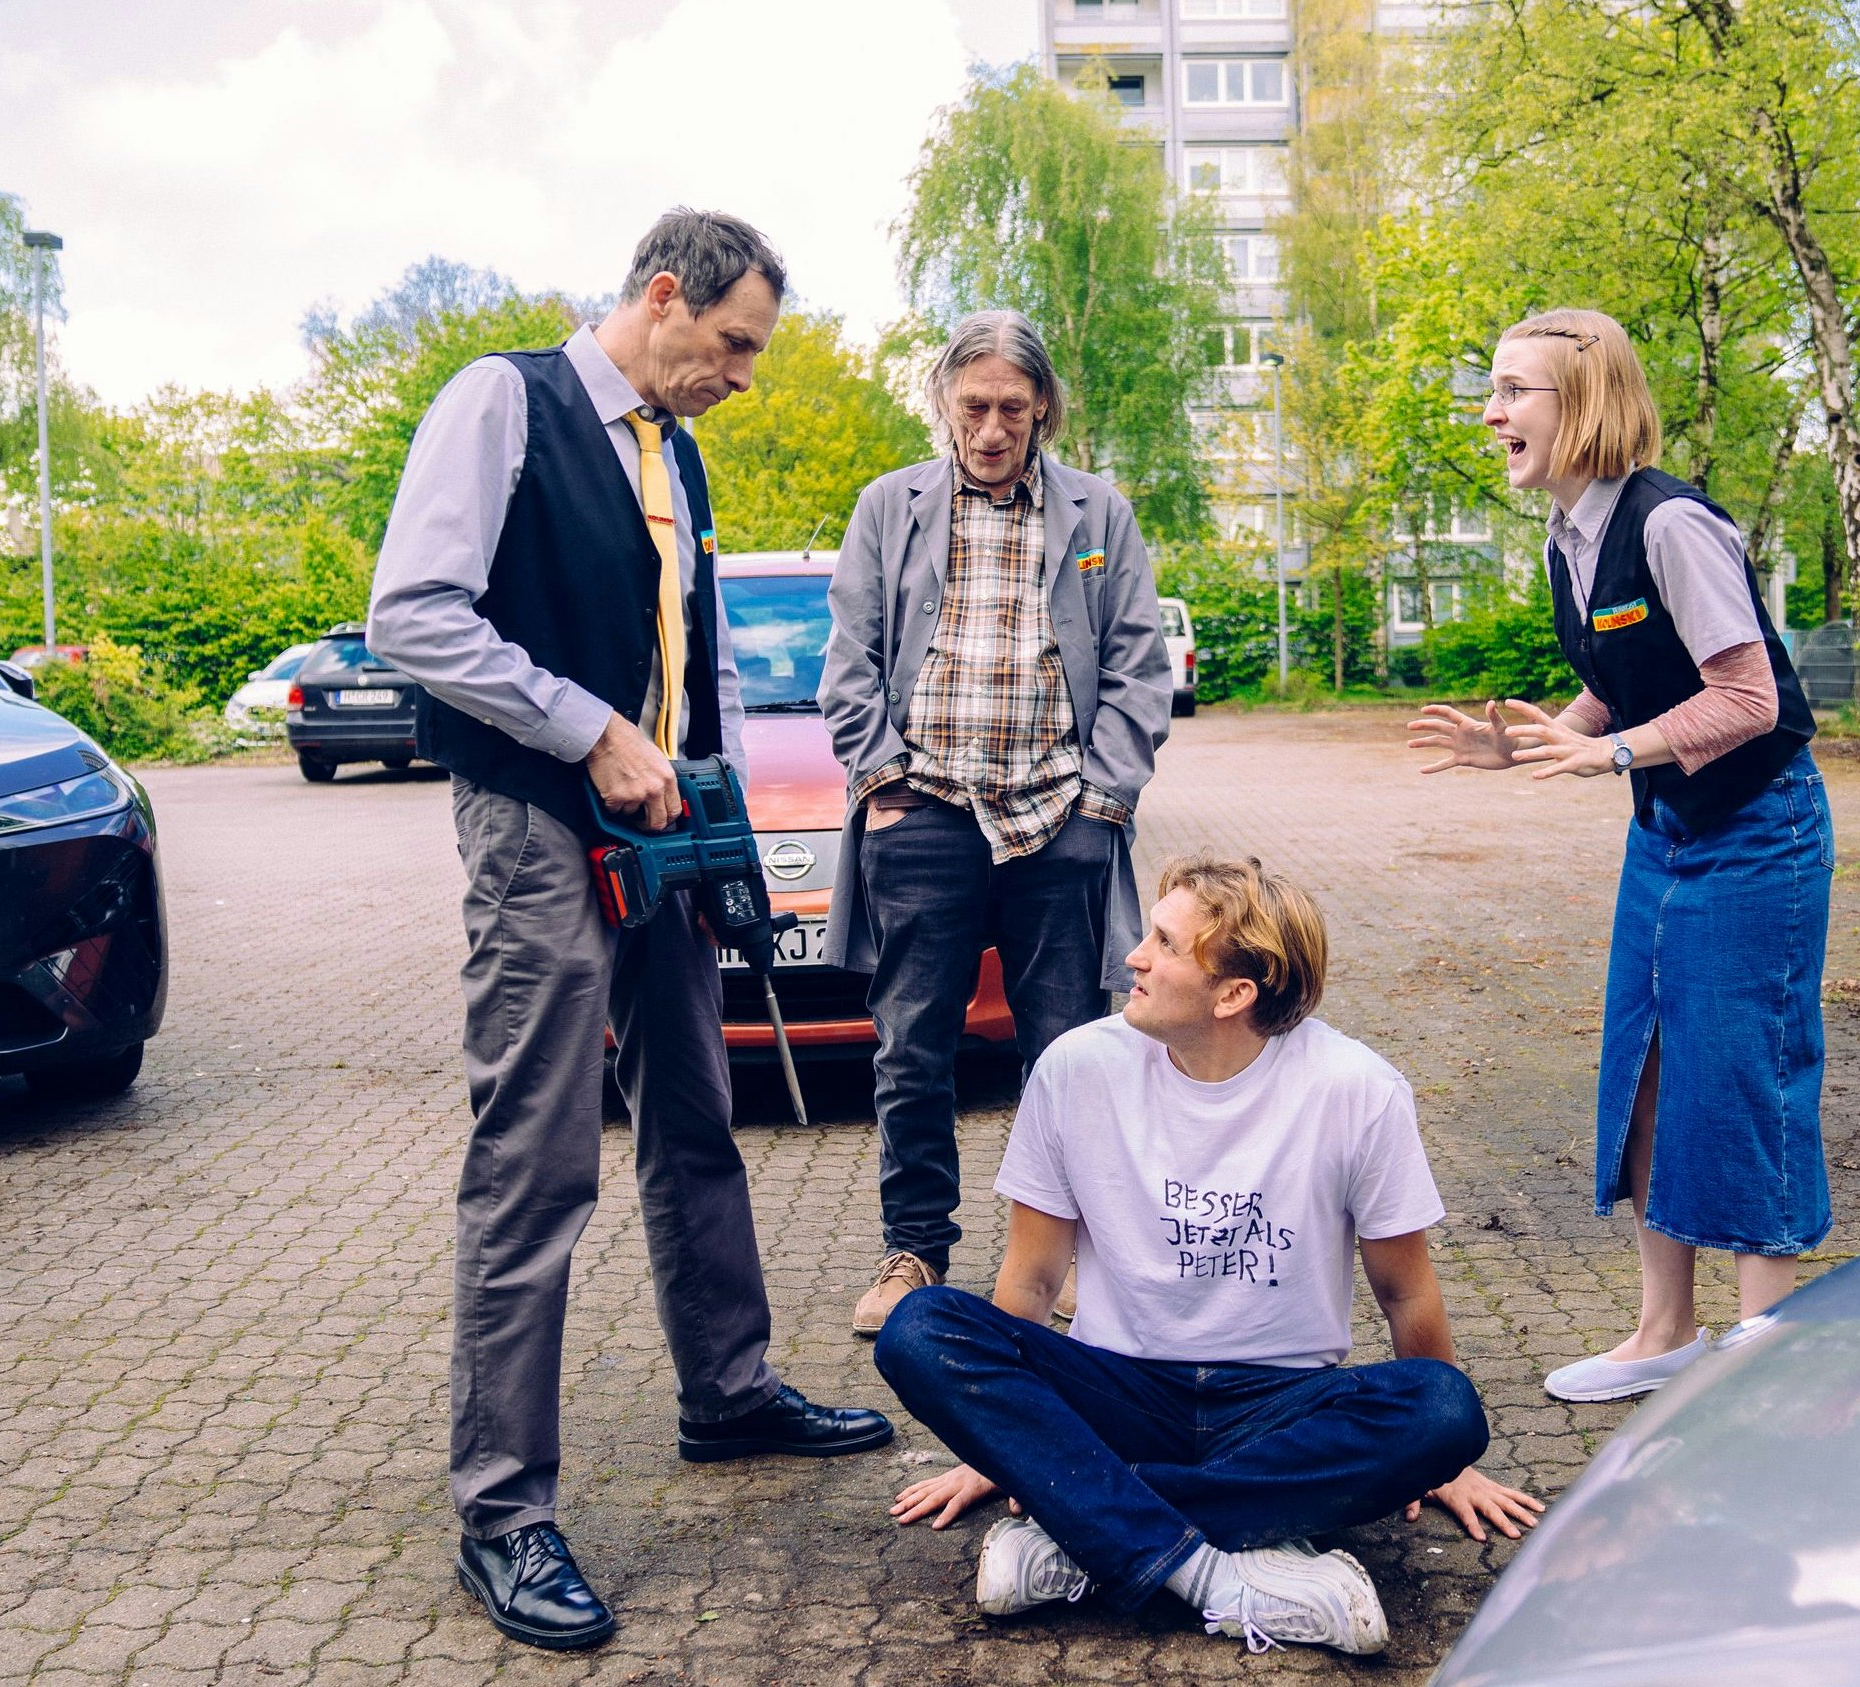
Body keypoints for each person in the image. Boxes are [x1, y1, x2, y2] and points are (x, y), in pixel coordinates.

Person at [366, 208, 891, 1653]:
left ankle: (727, 1392)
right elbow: (411, 614)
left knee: (699, 1117)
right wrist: (590, 730)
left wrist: (704, 790)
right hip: (541, 826)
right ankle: (502, 1509)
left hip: (667, 832)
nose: (743, 372)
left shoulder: (679, 449)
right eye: (733, 342)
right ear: (665, 296)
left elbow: (683, 650)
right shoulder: (503, 401)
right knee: (535, 1158)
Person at [873, 857, 1544, 1656]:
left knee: (1445, 1410)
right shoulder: (1077, 1068)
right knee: (920, 1326)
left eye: (1164, 942)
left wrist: (1448, 1467)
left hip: (1279, 1405)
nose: (1134, 956)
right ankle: (1216, 1574)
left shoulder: (1356, 1088)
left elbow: (1405, 1292)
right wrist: (999, 1441)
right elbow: (1034, 1276)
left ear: (1234, 995)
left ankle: (1082, 1526)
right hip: (1118, 1391)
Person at [1409, 307, 1834, 1405]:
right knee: (1645, 1067)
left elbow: (1747, 696)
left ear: (1583, 404)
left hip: (1758, 831)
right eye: (1490, 390)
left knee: (1736, 1072)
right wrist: (1542, 739)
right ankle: (1664, 1332)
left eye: (1513, 391)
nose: (1491, 412)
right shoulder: (1569, 532)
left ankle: (1768, 1340)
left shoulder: (1671, 524)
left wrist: (1612, 757)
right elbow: (1632, 676)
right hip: (1669, 831)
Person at [819, 309, 1173, 1335]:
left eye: (1013, 409)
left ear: (1044, 411)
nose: (991, 429)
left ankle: (1062, 1261)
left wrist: (1104, 799)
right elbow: (848, 661)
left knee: (1067, 1048)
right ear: (943, 404)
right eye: (973, 406)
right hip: (923, 807)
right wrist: (882, 777)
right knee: (911, 1047)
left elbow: (1141, 665)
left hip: (1059, 810)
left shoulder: (1098, 512)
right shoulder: (890, 506)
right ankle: (913, 1257)